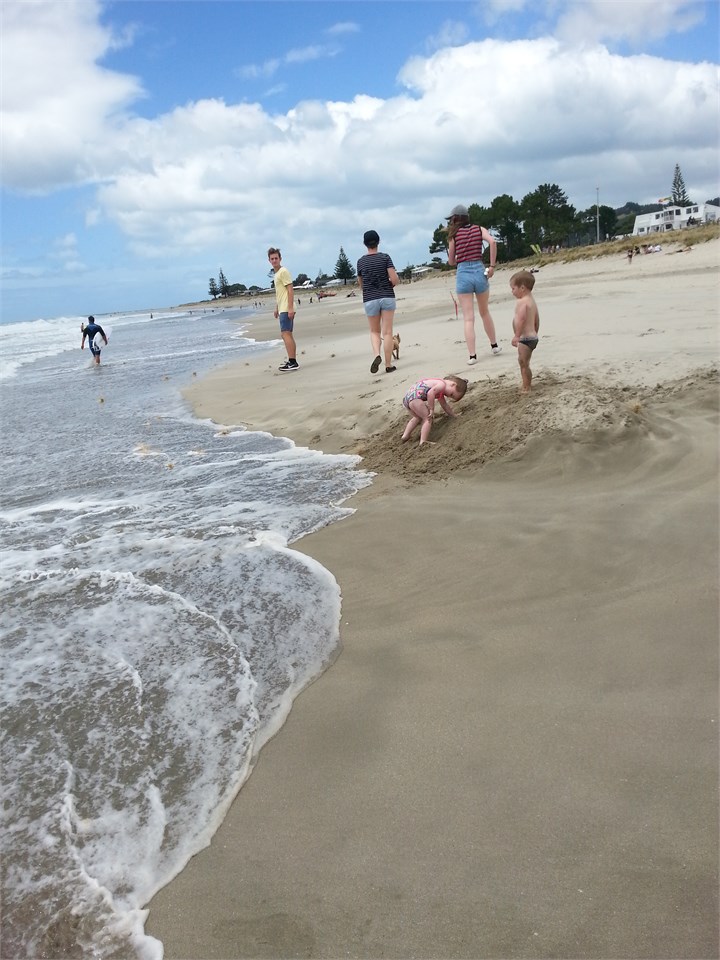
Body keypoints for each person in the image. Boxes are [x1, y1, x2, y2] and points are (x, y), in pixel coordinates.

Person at [446, 204, 501, 365]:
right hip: (479, 270)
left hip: (463, 274)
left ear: (455, 218)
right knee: (484, 312)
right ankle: (494, 345)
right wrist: (491, 266)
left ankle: (472, 356)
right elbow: (492, 242)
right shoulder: (479, 229)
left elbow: (450, 261)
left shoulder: (453, 235)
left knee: (469, 318)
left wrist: (459, 260)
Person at [357, 229, 400, 374]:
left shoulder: (361, 262)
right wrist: (390, 283)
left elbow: (361, 284)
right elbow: (394, 280)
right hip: (387, 295)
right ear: (378, 241)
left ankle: (377, 355)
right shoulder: (385, 258)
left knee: (374, 331)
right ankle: (388, 365)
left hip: (369, 298)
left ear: (365, 244)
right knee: (387, 332)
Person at [401, 376, 467, 445]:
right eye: (451, 394)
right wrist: (431, 409)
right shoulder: (441, 385)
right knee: (427, 418)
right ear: (453, 384)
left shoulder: (439, 389)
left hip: (408, 398)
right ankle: (423, 441)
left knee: (417, 417)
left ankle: (405, 435)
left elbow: (444, 405)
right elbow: (430, 393)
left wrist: (453, 415)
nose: (448, 396)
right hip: (415, 398)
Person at [509, 270, 540, 394]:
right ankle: (527, 384)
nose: (512, 291)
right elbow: (537, 319)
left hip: (525, 339)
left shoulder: (522, 302)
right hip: (532, 337)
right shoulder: (531, 301)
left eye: (513, 288)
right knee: (525, 362)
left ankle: (526, 387)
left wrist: (517, 336)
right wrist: (536, 331)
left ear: (522, 288)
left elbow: (521, 319)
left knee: (523, 363)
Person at [267, 247, 298, 371]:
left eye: (276, 258)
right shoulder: (277, 274)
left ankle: (292, 362)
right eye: (272, 259)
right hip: (282, 307)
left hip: (287, 307)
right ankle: (292, 360)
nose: (274, 260)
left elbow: (290, 289)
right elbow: (280, 293)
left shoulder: (283, 271)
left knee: (285, 334)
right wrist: (276, 308)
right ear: (269, 260)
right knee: (287, 334)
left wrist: (290, 308)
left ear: (280, 259)